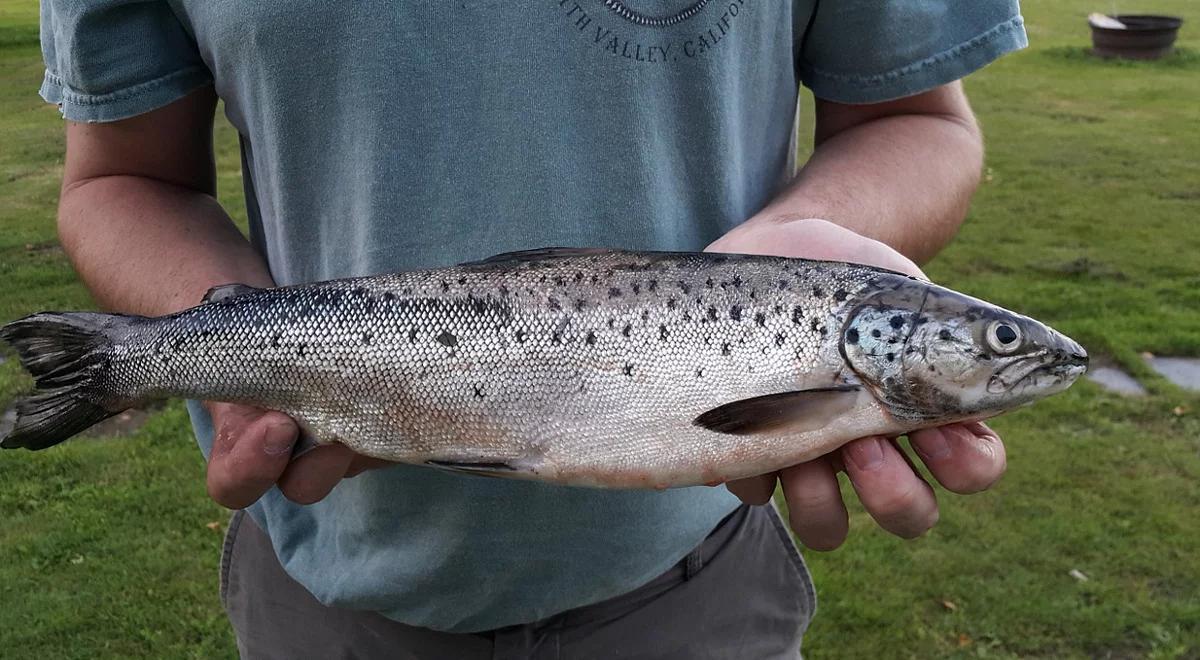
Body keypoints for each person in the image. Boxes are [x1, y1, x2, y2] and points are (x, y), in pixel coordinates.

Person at [40, 1, 1026, 657]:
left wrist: (772, 254)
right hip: (322, 580)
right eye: (998, 345)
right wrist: (234, 349)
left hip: (703, 576)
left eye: (998, 348)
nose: (1018, 359)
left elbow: (917, 116)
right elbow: (123, 176)